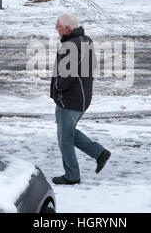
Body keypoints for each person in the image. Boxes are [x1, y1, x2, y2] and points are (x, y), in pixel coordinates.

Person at [50, 13, 111, 185]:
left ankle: (72, 175)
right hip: (83, 98)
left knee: (64, 139)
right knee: (68, 133)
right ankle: (99, 153)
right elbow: (92, 66)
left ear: (67, 28)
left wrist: (58, 88)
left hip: (69, 100)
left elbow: (66, 76)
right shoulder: (87, 40)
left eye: (58, 26)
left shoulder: (69, 46)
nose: (56, 29)